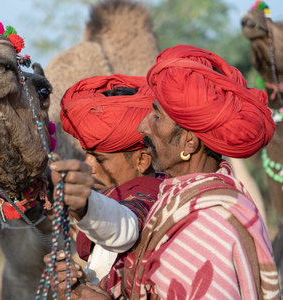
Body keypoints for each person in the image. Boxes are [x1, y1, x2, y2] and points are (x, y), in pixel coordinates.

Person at [49, 45, 280, 299]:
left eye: (156, 116)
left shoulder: (207, 227)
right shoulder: (179, 204)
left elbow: (125, 227)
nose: (143, 125)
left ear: (188, 143)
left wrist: (83, 204)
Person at [59, 74, 163, 286]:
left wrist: (83, 206)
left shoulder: (152, 197)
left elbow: (125, 229)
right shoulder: (115, 197)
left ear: (142, 160)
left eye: (99, 158)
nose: (89, 166)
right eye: (87, 154)